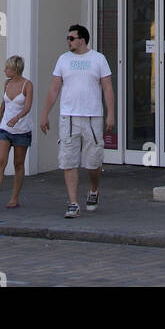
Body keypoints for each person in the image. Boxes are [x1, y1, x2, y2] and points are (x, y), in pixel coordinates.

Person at [40, 24, 115, 218]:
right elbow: (54, 88)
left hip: (92, 116)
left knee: (93, 161)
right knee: (68, 160)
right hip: (69, 116)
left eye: (71, 38)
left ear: (82, 40)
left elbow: (107, 87)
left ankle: (93, 188)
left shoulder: (98, 59)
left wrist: (110, 114)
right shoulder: (63, 60)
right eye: (67, 38)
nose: (68, 41)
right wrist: (45, 113)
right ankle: (73, 202)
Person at [0, 54, 33, 209]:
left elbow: (27, 107)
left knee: (18, 164)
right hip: (5, 129)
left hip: (21, 130)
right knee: (0, 161)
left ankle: (14, 198)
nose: (4, 70)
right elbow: (3, 106)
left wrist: (17, 117)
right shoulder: (6, 84)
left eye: (7, 68)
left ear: (16, 69)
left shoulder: (27, 85)